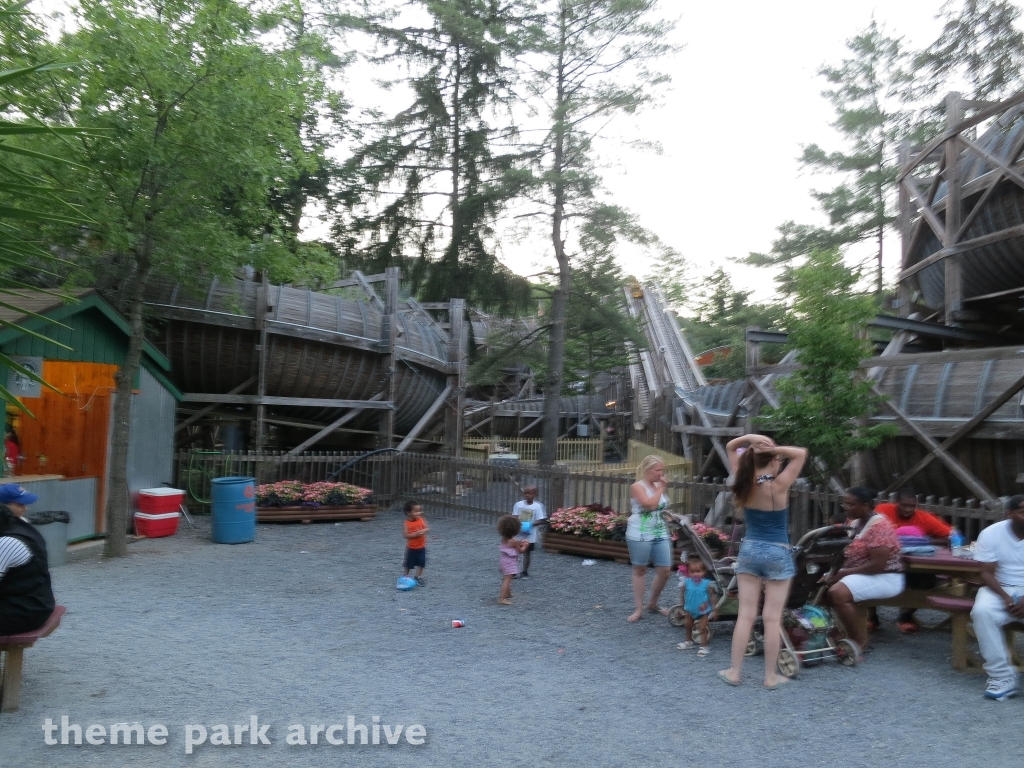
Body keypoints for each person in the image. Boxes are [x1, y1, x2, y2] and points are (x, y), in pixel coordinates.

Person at [718, 434, 806, 689]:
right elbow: (800, 453)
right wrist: (773, 447)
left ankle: (734, 672)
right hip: (777, 552)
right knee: (772, 618)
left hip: (750, 550)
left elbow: (730, 446)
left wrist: (751, 439)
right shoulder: (778, 487)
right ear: (774, 461)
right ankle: (769, 677)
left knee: (745, 615)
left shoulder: (743, 481)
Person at [821, 487, 904, 655]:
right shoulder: (854, 522)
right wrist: (830, 572)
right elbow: (842, 552)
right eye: (845, 503)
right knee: (815, 586)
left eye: (850, 504)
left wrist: (843, 574)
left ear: (865, 505)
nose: (845, 507)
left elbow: (877, 566)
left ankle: (859, 640)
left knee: (837, 593)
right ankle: (835, 635)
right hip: (858, 573)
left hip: (885, 576)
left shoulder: (880, 527)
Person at [874, 486, 952, 633]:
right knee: (869, 573)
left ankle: (905, 616)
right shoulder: (882, 510)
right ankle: (872, 617)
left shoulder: (923, 517)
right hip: (885, 562)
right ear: (895, 502)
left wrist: (921, 541)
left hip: (914, 564)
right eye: (904, 505)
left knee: (928, 581)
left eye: (912, 506)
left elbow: (950, 536)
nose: (908, 509)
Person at [970, 494, 1024, 701]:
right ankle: (1002, 676)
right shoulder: (991, 533)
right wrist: (1005, 597)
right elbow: (985, 573)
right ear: (1009, 514)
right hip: (1000, 587)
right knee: (982, 612)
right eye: (1022, 511)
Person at [0, 484, 56, 636]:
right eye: (20, 504)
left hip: (22, 613)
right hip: (37, 605)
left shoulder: (8, 541)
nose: (25, 508)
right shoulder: (23, 528)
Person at [626, 455, 674, 623]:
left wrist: (669, 517)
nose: (661, 474)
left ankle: (652, 603)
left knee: (665, 570)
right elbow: (649, 504)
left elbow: (659, 507)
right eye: (658, 470)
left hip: (660, 531)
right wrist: (660, 487)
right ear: (648, 470)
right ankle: (639, 608)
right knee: (640, 569)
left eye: (662, 470)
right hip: (640, 532)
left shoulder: (657, 485)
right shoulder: (637, 486)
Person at [676, 554, 718, 657]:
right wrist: (682, 605)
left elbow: (712, 597)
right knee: (687, 625)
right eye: (692, 572)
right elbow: (682, 594)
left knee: (702, 628)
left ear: (703, 572)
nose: (695, 574)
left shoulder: (707, 584)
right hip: (690, 609)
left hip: (703, 611)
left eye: (698, 571)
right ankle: (688, 641)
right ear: (688, 572)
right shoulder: (686, 582)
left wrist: (714, 609)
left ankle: (704, 646)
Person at [512, 485, 546, 577]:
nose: (527, 495)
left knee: (527, 553)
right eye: (525, 493)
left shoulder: (537, 506)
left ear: (535, 494)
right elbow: (514, 516)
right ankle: (513, 570)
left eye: (530, 493)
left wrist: (530, 524)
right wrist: (517, 524)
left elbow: (541, 520)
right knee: (515, 552)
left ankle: (524, 571)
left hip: (530, 535)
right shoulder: (518, 504)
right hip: (518, 533)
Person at [497, 515, 529, 605]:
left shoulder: (504, 538)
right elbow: (520, 551)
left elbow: (511, 546)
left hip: (503, 560)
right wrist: (525, 545)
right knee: (507, 579)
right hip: (510, 562)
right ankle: (501, 598)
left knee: (506, 577)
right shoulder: (514, 541)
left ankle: (508, 593)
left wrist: (519, 543)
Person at [401, 500, 429, 585]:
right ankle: (405, 576)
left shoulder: (421, 520)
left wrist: (423, 531)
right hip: (412, 548)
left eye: (419, 511)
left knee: (421, 563)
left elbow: (427, 528)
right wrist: (416, 534)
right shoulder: (406, 523)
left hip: (421, 547)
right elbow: (405, 535)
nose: (419, 513)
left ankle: (418, 577)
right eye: (416, 511)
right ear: (409, 512)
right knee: (409, 563)